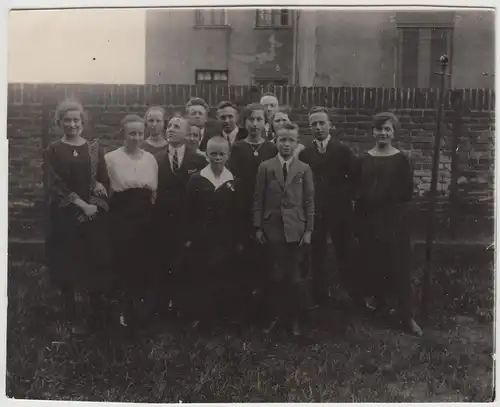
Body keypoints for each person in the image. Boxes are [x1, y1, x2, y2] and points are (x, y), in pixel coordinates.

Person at [44, 99, 113, 334]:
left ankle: (95, 312)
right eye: (67, 120)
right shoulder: (53, 150)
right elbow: (55, 185)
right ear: (59, 122)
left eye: (76, 120)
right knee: (66, 261)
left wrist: (94, 204)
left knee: (93, 260)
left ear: (82, 122)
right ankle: (70, 311)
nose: (72, 124)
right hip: (66, 214)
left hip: (91, 216)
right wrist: (81, 205)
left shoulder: (93, 149)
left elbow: (103, 181)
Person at [354, 112, 423, 336]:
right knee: (372, 264)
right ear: (372, 132)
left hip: (394, 221)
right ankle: (379, 308)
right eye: (379, 129)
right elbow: (358, 191)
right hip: (369, 221)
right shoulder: (363, 159)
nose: (383, 133)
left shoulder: (401, 159)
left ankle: (406, 316)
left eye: (388, 129)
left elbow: (406, 193)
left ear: (393, 133)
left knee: (399, 267)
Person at [253, 123, 315, 336]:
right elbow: (258, 199)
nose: (286, 144)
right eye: (282, 140)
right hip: (273, 229)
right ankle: (272, 316)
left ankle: (294, 319)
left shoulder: (304, 169)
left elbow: (309, 201)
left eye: (291, 140)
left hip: (296, 229)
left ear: (297, 143)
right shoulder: (266, 167)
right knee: (274, 275)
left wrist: (308, 230)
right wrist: (258, 226)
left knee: (295, 278)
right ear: (275, 142)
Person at [179, 136, 243, 327]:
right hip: (202, 238)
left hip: (225, 238)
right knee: (201, 275)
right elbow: (188, 211)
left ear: (228, 155)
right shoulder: (197, 180)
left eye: (221, 154)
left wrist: (238, 239)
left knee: (224, 274)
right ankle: (200, 315)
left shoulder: (234, 181)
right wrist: (188, 238)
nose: (217, 157)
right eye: (213, 153)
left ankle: (222, 315)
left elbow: (238, 213)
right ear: (206, 155)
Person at [298, 106, 358, 309]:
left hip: (340, 212)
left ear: (330, 125)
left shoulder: (342, 150)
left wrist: (343, 197)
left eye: (322, 123)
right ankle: (319, 297)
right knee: (318, 254)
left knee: (345, 252)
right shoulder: (305, 154)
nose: (318, 127)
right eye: (314, 124)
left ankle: (351, 295)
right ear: (309, 127)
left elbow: (355, 179)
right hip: (316, 212)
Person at [105, 114, 158, 329]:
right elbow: (108, 190)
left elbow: (154, 190)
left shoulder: (150, 159)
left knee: (143, 262)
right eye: (132, 133)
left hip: (145, 215)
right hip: (122, 214)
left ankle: (141, 310)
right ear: (123, 134)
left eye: (139, 133)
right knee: (123, 262)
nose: (136, 137)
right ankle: (122, 310)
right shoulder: (111, 158)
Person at [227, 103, 278, 324]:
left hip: (267, 210)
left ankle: (265, 311)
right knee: (243, 260)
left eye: (259, 120)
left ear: (265, 123)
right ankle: (242, 311)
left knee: (266, 260)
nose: (255, 124)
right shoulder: (237, 148)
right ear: (244, 123)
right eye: (251, 120)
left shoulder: (271, 148)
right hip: (241, 210)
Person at [152, 116, 207, 317]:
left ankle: (184, 308)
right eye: (169, 126)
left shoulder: (199, 159)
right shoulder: (156, 158)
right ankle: (161, 307)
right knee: (163, 262)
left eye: (176, 127)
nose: (170, 130)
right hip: (163, 221)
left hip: (187, 220)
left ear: (186, 133)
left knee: (186, 263)